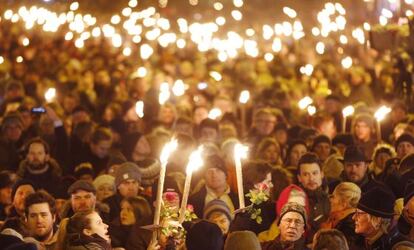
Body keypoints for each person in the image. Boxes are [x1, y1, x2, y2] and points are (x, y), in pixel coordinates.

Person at [296, 153, 330, 240]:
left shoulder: (331, 200)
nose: (311, 178)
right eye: (306, 174)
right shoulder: (293, 201)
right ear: (299, 178)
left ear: (321, 174)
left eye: (315, 173)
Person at [321, 182, 364, 249]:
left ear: (343, 204)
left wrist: (326, 235)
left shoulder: (350, 226)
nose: (330, 199)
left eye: (333, 196)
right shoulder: (338, 219)